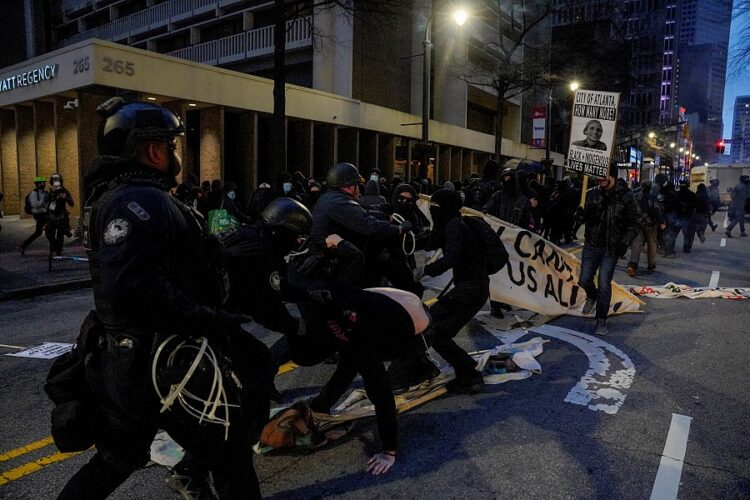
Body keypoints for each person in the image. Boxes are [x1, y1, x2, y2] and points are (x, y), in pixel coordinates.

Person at [57, 97, 264, 499]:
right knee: (232, 457)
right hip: (163, 364)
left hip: (131, 361)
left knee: (118, 458)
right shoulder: (141, 201)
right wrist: (210, 318)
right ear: (152, 150)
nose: (173, 153)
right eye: (170, 145)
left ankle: (191, 475)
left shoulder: (120, 196)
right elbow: (136, 290)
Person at [419, 188, 489, 392]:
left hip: (471, 290)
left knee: (434, 330)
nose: (433, 210)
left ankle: (469, 372)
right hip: (469, 288)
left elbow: (451, 258)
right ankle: (468, 373)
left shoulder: (455, 226)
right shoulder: (450, 223)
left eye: (436, 207)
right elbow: (432, 241)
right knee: (435, 327)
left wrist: (426, 270)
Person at [576, 165, 639, 335]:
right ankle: (592, 295)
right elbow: (583, 218)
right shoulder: (590, 194)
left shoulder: (625, 195)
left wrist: (624, 243)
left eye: (604, 176)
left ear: (612, 176)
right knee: (584, 279)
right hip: (591, 244)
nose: (601, 180)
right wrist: (579, 216)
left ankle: (601, 319)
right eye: (598, 177)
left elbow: (635, 222)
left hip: (611, 247)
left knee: (604, 282)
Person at [627, 180, 665, 276]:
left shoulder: (635, 196)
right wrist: (661, 222)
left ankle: (632, 265)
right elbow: (656, 210)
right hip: (650, 225)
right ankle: (651, 264)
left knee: (636, 245)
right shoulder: (651, 198)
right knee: (652, 245)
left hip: (638, 224)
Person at [45, 173, 75, 256]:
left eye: (57, 180)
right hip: (52, 215)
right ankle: (54, 245)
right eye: (54, 180)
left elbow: (72, 203)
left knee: (60, 235)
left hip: (61, 215)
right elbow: (48, 205)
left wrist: (65, 197)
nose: (56, 182)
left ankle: (58, 249)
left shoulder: (64, 191)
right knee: (48, 233)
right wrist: (54, 198)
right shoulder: (50, 192)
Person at [18, 176, 49, 256]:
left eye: (44, 183)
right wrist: (43, 201)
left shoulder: (45, 192)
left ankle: (22, 247)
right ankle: (22, 247)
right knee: (40, 232)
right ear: (38, 184)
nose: (44, 184)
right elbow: (34, 204)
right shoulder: (33, 193)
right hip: (39, 215)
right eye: (42, 183)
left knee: (42, 232)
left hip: (45, 214)